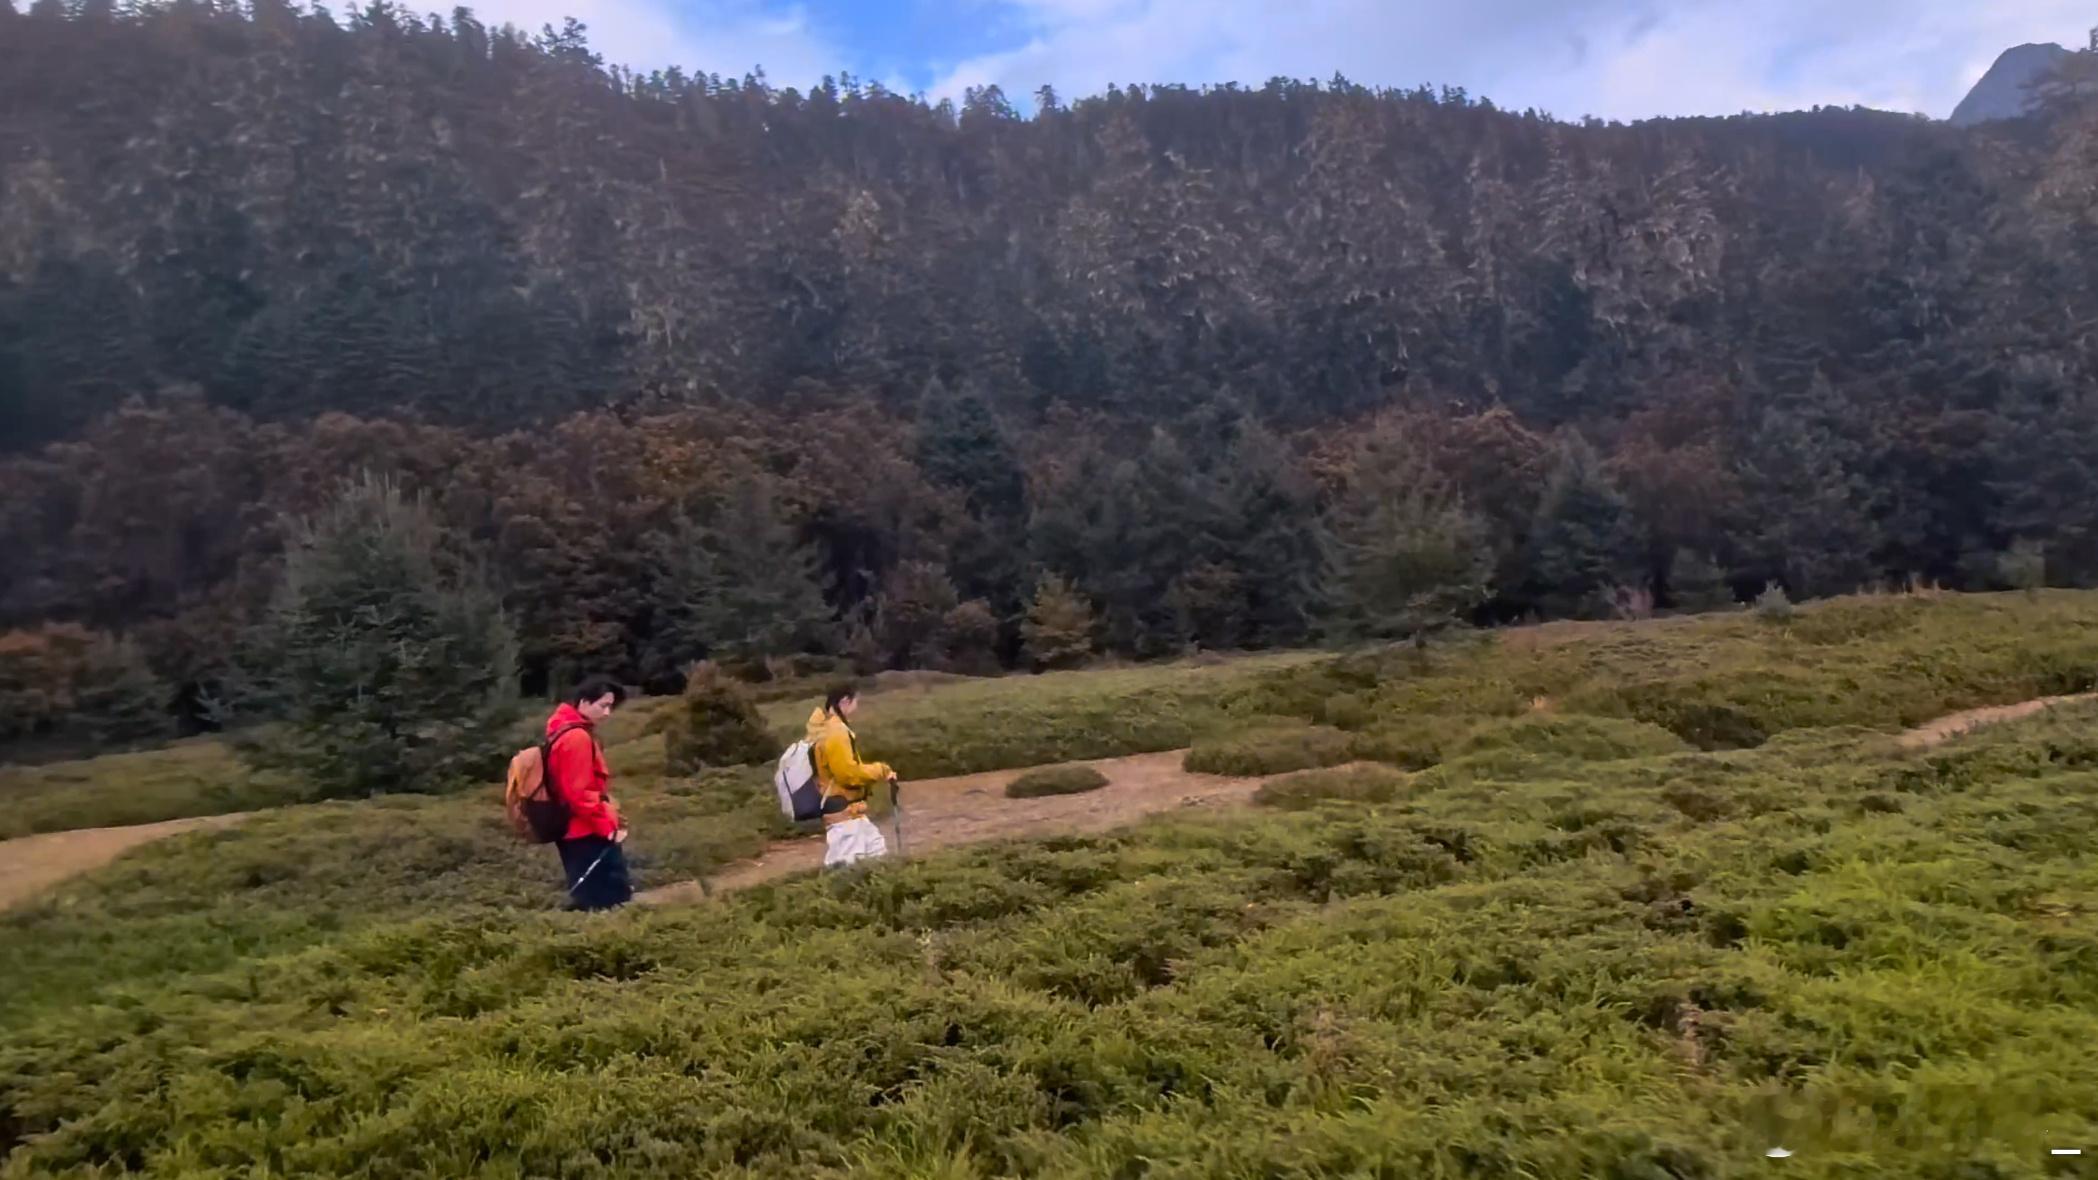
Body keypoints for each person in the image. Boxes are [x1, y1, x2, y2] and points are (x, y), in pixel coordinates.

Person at [545, 675, 633, 910]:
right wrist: (608, 828)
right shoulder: (576, 738)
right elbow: (580, 794)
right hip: (586, 831)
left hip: (573, 830)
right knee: (610, 899)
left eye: (610, 707)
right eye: (603, 705)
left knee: (590, 898)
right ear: (584, 702)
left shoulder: (562, 731)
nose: (607, 713)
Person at [807, 682, 898, 868]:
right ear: (845, 701)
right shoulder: (836, 732)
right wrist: (880, 769)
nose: (856, 707)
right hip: (843, 813)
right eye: (856, 702)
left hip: (852, 812)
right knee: (847, 869)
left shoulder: (826, 729)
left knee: (877, 851)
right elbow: (847, 774)